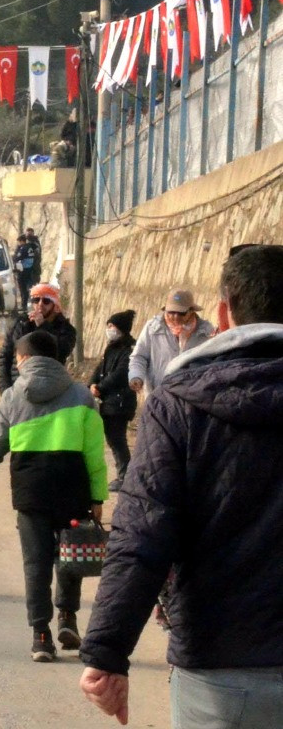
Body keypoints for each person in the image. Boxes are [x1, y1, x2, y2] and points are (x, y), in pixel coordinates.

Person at [80, 245, 283, 727]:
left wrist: (107, 651)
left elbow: (143, 534)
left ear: (222, 314)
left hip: (220, 671)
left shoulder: (179, 403)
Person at [0, 330, 107, 662]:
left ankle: (41, 635)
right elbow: (94, 453)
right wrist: (97, 497)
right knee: (71, 555)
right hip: (73, 490)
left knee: (36, 564)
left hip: (31, 493)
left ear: (24, 358)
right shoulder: (81, 396)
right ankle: (67, 617)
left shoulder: (13, 396)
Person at [127, 288, 216, 396]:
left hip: (191, 398)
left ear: (191, 311)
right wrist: (136, 376)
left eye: (181, 313)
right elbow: (139, 357)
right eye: (171, 312)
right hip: (157, 396)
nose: (175, 317)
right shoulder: (152, 328)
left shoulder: (206, 332)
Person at [88, 310, 137, 491]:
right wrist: (91, 384)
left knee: (117, 440)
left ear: (121, 329)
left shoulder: (128, 350)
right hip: (110, 402)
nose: (109, 329)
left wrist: (100, 387)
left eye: (112, 326)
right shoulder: (111, 348)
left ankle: (126, 477)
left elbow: (120, 374)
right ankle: (124, 475)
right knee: (113, 440)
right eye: (108, 326)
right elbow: (99, 369)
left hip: (120, 403)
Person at [0, 282, 77, 392]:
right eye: (36, 300)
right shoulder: (20, 324)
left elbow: (62, 351)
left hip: (48, 388)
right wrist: (5, 389)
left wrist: (43, 326)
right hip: (18, 387)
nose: (40, 304)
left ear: (55, 305)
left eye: (46, 301)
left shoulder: (65, 329)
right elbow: (5, 356)